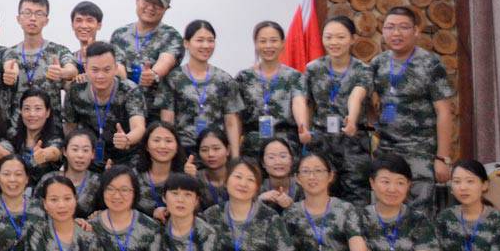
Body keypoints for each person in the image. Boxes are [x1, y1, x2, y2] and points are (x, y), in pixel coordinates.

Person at [369, 7, 456, 212]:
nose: (396, 33)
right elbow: (370, 104)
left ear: (416, 31)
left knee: (419, 215)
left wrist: (442, 158)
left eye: (403, 27)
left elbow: (444, 111)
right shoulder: (378, 63)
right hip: (387, 152)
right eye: (390, 27)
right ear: (383, 31)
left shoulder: (430, 64)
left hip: (420, 153)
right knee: (385, 212)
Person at [300, 16, 374, 204]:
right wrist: (305, 129)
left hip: (353, 143)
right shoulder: (313, 69)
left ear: (352, 39)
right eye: (328, 37)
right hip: (321, 142)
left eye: (340, 37)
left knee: (356, 198)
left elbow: (356, 95)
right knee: (321, 197)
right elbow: (307, 103)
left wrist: (352, 119)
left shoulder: (363, 70)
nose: (334, 42)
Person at [159, 20, 242, 154]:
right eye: (200, 40)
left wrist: (235, 156)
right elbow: (167, 121)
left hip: (215, 152)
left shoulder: (224, 79)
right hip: (183, 151)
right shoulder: (173, 78)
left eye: (210, 40)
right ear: (186, 43)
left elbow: (231, 122)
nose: (206, 45)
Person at [64, 42, 147, 172]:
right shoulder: (76, 90)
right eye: (95, 70)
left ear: (115, 68)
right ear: (85, 68)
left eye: (107, 70)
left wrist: (127, 139)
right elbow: (70, 127)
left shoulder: (130, 90)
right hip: (88, 159)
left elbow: (139, 126)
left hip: (126, 158)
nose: (100, 76)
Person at [234, 21, 309, 157]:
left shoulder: (294, 76)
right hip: (252, 148)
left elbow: (298, 102)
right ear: (256, 44)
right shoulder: (243, 77)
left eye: (273, 40)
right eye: (263, 41)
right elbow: (237, 116)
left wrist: (302, 126)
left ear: (282, 43)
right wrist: (234, 151)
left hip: (286, 147)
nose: (268, 46)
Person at [9, 0, 72, 126]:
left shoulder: (58, 51)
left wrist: (62, 73)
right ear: (18, 18)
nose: (33, 18)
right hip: (16, 128)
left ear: (46, 20)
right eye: (27, 13)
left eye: (39, 14)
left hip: (52, 129)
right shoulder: (9, 55)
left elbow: (71, 70)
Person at [108, 0, 183, 91]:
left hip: (156, 100)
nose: (151, 7)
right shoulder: (119, 34)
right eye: (147, 1)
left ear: (166, 8)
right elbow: (116, 64)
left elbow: (166, 60)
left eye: (158, 4)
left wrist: (153, 74)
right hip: (124, 99)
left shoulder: (172, 36)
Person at [10, 90, 65, 194]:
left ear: (47, 112)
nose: (32, 114)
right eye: (27, 109)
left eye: (38, 109)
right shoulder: (12, 136)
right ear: (21, 111)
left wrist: (45, 154)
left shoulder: (55, 139)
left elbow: (55, 152)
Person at [135, 121, 185, 221]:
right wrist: (152, 211)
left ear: (177, 146)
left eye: (168, 141)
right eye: (156, 140)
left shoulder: (185, 176)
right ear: (146, 146)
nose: (162, 146)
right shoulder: (133, 177)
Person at [186, 127, 233, 209]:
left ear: (228, 150)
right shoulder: (196, 177)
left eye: (216, 149)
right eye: (204, 150)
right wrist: (190, 181)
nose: (211, 154)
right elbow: (191, 210)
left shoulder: (238, 176)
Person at [60, 129, 102, 215]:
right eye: (75, 149)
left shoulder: (98, 182)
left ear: (93, 154)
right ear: (64, 151)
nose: (80, 155)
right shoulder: (49, 179)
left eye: (85, 150)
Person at [64, 0, 105, 78]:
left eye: (89, 21)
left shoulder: (109, 54)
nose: (84, 26)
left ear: (99, 25)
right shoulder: (69, 60)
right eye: (79, 20)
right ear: (72, 25)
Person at [257, 137, 300, 210]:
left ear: (291, 160)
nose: (278, 162)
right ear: (263, 163)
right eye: (271, 157)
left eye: (283, 156)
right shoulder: (255, 189)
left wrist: (291, 207)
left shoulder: (303, 188)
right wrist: (259, 201)